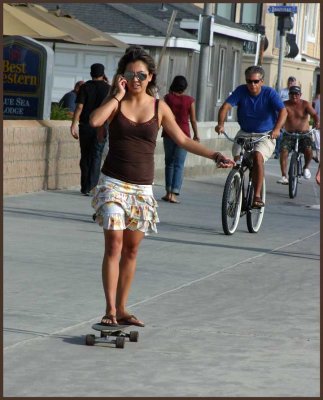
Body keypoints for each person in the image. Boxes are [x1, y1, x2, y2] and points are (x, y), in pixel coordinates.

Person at [88, 46, 234, 327]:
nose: (136, 79)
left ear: (151, 76)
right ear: (122, 76)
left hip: (142, 189)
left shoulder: (158, 107)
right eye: (129, 74)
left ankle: (122, 307)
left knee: (131, 250)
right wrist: (116, 95)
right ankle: (109, 310)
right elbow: (94, 121)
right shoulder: (116, 102)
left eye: (141, 75)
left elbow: (183, 140)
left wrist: (215, 155)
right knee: (114, 244)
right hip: (113, 184)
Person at [215, 65, 287, 208]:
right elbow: (225, 107)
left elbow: (283, 111)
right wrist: (220, 124)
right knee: (237, 161)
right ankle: (237, 192)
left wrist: (277, 129)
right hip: (245, 132)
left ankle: (257, 196)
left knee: (257, 156)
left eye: (255, 81)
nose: (252, 85)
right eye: (249, 81)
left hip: (265, 134)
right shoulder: (241, 91)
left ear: (261, 81)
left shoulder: (270, 93)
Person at [70, 63, 111, 195]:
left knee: (85, 155)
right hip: (101, 126)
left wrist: (73, 124)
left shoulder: (85, 87)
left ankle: (85, 186)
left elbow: (79, 107)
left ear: (91, 73)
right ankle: (93, 186)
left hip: (85, 126)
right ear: (103, 73)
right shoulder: (108, 89)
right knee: (97, 155)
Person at [161, 75, 200, 204]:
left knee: (169, 163)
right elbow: (193, 119)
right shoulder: (190, 100)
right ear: (184, 87)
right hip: (183, 134)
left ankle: (167, 192)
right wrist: (196, 134)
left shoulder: (167, 98)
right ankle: (174, 193)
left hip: (169, 133)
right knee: (179, 164)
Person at [277, 86, 320, 184]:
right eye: (292, 94)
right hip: (289, 133)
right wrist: (279, 127)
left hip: (304, 134)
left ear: (300, 95)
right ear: (289, 95)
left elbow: (314, 115)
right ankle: (284, 176)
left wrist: (317, 122)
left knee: (309, 149)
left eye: (296, 94)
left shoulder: (305, 104)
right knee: (283, 151)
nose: (294, 96)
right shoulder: (285, 105)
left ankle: (306, 167)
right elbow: (280, 117)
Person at [274, 76, 297, 158]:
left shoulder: (296, 93)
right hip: (282, 115)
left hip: (292, 116)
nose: (290, 84)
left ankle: (292, 150)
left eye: (292, 83)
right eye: (289, 82)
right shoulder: (282, 91)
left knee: (292, 134)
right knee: (280, 134)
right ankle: (277, 152)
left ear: (295, 83)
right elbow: (277, 101)